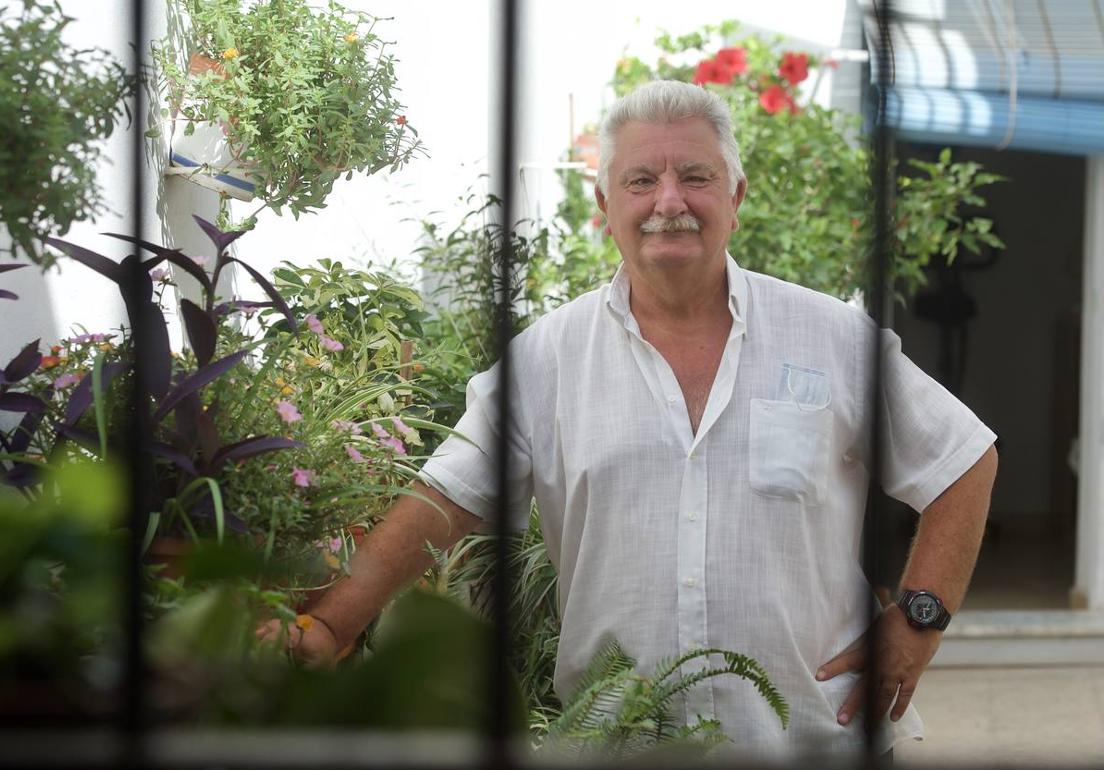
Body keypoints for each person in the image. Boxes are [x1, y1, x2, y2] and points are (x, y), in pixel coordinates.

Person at [261, 80, 998, 761]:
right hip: (621, 745)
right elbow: (444, 499)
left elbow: (962, 460)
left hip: (817, 743)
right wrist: (333, 622)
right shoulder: (545, 363)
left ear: (736, 195)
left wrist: (918, 620)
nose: (668, 200)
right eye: (641, 180)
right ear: (603, 203)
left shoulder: (834, 338)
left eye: (696, 177)